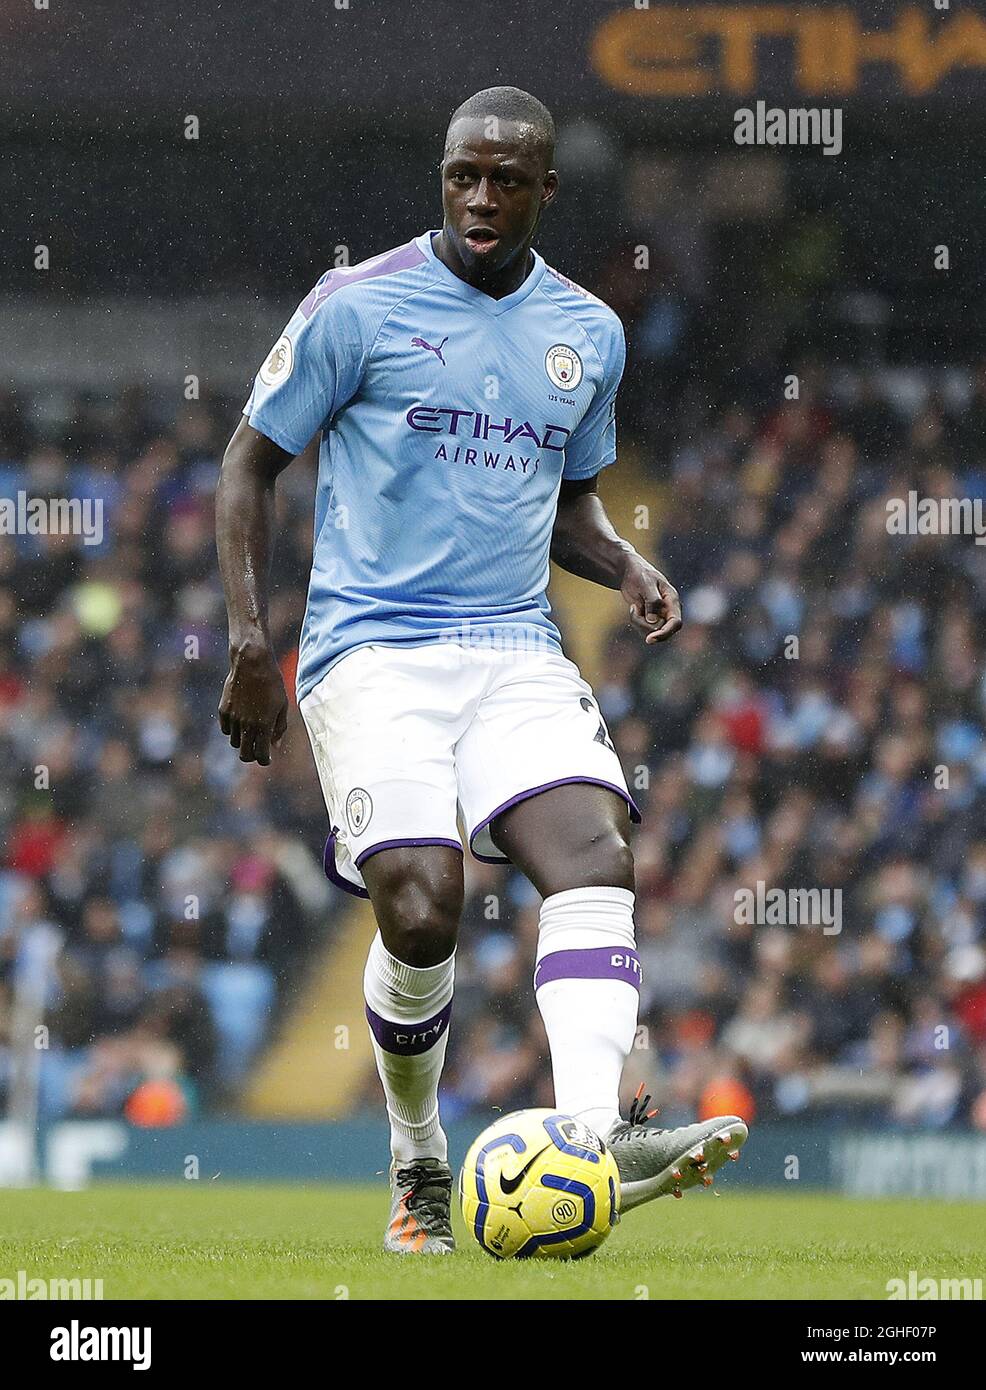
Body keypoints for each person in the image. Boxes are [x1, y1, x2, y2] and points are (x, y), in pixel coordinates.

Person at [216, 86, 747, 1253]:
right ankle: (417, 1157)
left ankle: (592, 1138)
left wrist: (623, 562)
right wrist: (251, 641)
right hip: (373, 649)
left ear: (545, 190)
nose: (481, 197)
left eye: (506, 180)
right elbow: (246, 465)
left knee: (596, 855)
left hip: (513, 646)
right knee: (422, 907)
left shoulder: (587, 334)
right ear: (442, 177)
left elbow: (565, 503)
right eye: (463, 175)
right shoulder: (357, 306)